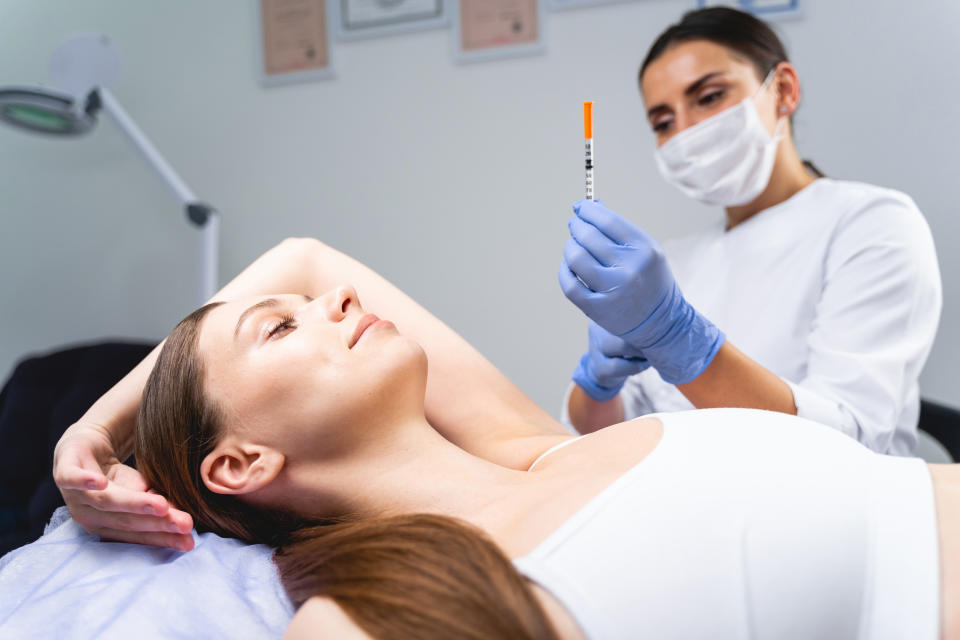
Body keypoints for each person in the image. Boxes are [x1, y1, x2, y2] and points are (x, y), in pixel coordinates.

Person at [55, 238, 957, 638]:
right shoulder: (376, 612)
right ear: (241, 463)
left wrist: (92, 431)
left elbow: (303, 254)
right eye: (281, 329)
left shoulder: (538, 447)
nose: (332, 298)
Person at [559, 8, 942, 454]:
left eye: (709, 97)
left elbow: (848, 441)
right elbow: (598, 439)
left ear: (783, 89)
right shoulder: (673, 263)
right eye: (663, 123)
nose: (686, 132)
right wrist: (597, 381)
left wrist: (678, 340)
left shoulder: (871, 223)